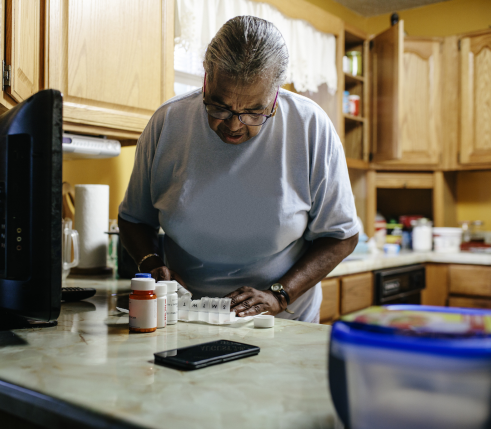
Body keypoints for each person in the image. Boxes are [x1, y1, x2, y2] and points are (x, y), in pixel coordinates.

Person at [118, 16, 359, 323]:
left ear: (275, 96)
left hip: (281, 321)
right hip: (186, 315)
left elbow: (342, 236)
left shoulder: (310, 126)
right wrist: (151, 262)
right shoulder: (167, 123)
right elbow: (133, 219)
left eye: (253, 112)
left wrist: (280, 294)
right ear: (206, 79)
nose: (233, 125)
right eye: (219, 106)